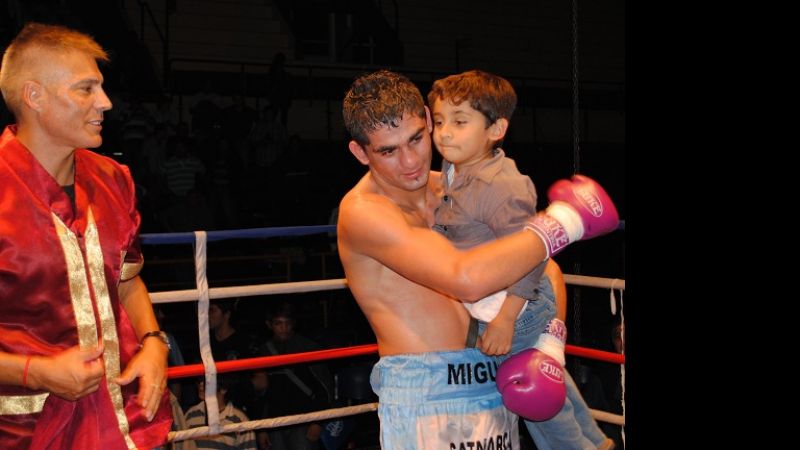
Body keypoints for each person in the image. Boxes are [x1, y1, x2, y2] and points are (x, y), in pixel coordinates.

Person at [338, 70, 618, 449]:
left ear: (428, 118)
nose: (410, 161)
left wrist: (548, 345)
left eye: (417, 139)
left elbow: (544, 268)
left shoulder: (461, 186)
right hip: (427, 395)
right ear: (360, 152)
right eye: (388, 151)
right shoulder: (364, 212)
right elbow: (465, 279)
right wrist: (565, 221)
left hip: (495, 379)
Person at [0, 22, 171, 449]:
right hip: (24, 429)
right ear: (34, 96)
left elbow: (127, 282)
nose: (105, 103)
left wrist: (154, 344)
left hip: (124, 419)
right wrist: (36, 372)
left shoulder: (114, 179)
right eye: (86, 89)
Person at [428, 69, 614, 449]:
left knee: (539, 402)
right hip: (499, 302)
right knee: (549, 380)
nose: (444, 133)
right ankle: (598, 443)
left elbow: (529, 256)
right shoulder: (455, 165)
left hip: (517, 306)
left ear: (496, 129)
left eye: (460, 122)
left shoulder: (503, 187)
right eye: (440, 121)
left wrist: (505, 321)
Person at [258, 302, 333, 450]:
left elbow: (325, 386)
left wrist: (318, 421)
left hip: (304, 422)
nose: (284, 328)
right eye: (278, 323)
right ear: (269, 325)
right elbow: (262, 395)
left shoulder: (307, 348)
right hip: (275, 423)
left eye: (287, 323)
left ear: (293, 324)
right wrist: (262, 427)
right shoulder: (263, 351)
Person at [184, 374, 257, 450]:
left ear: (223, 389)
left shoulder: (240, 420)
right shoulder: (190, 415)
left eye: (207, 382)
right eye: (199, 381)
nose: (201, 386)